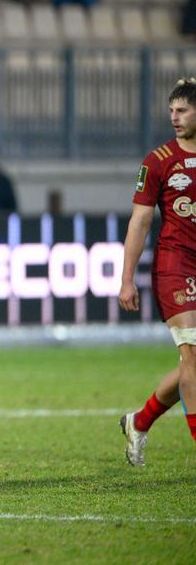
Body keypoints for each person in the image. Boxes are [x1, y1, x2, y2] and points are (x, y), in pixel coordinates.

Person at [118, 77, 196, 465]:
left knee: (193, 362)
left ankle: (140, 420)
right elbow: (140, 223)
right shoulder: (159, 161)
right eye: (171, 111)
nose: (174, 117)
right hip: (175, 265)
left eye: (182, 110)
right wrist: (126, 278)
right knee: (193, 352)